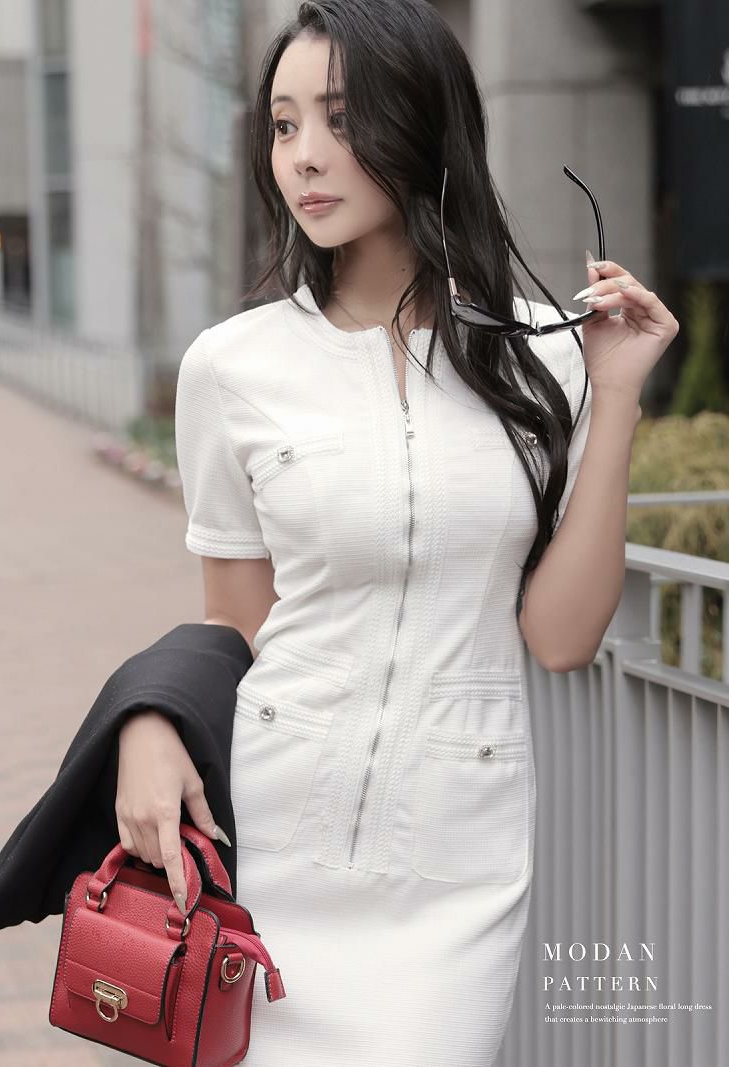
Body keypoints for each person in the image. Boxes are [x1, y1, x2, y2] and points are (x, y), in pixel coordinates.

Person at [116, 2, 679, 1064]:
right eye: (284, 125)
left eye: (339, 118)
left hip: (454, 854)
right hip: (271, 836)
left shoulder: (544, 357)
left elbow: (560, 638)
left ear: (421, 122)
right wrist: (151, 721)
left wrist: (612, 396)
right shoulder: (232, 367)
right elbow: (237, 627)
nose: (304, 154)